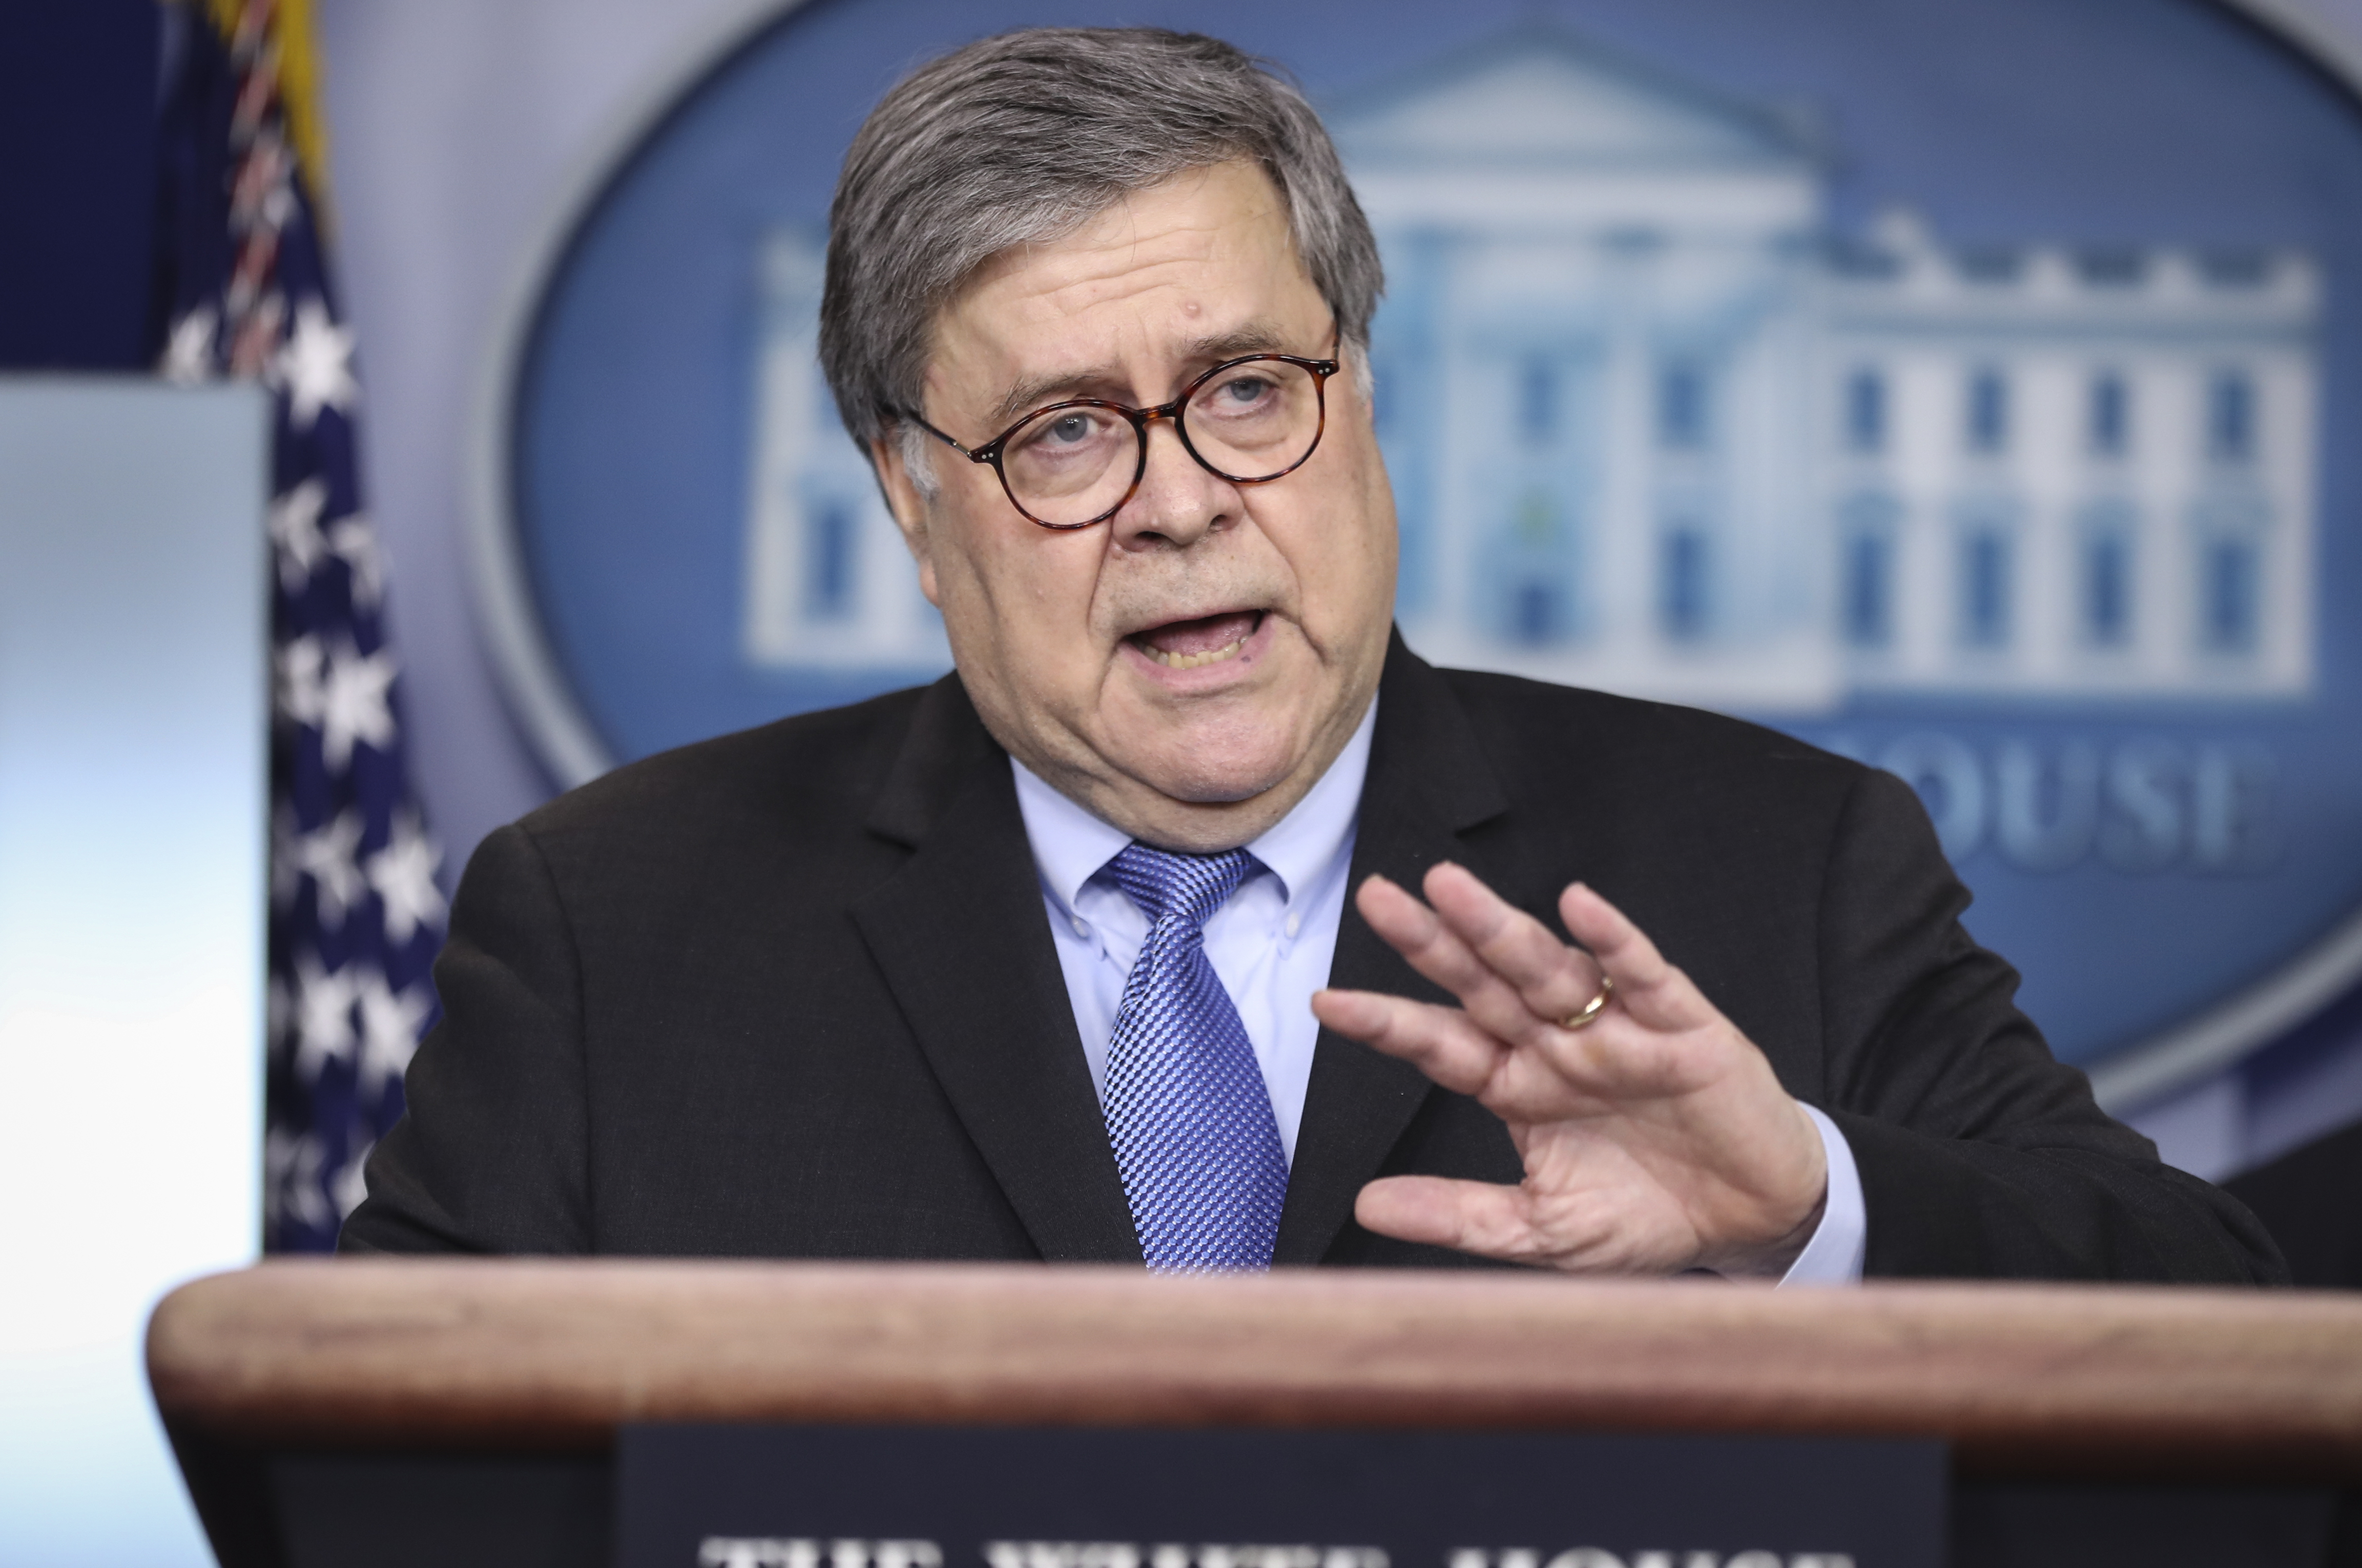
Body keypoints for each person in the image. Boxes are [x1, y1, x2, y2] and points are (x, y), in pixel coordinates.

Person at [343, 26, 2280, 1284]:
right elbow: (351, 1550)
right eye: (1064, 434)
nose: (1181, 502)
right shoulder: (613, 927)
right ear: (915, 504)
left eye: (1246, 390)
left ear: (1363, 399)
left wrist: (1805, 1205)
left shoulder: (1777, 867)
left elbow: (2215, 1320)